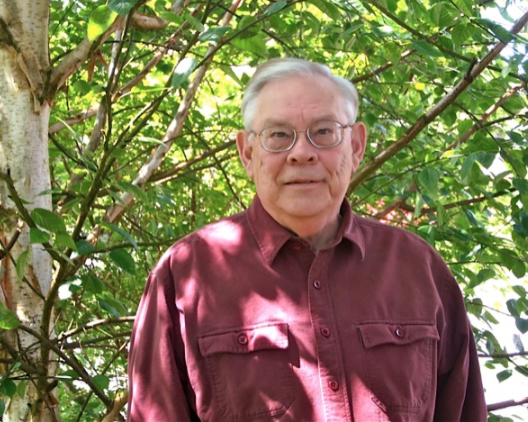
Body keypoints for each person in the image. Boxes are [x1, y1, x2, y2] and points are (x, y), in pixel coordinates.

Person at [127, 58, 487, 422]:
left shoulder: (418, 271)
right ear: (248, 153)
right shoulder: (185, 277)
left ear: (357, 146)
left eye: (324, 131)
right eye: (279, 135)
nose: (302, 153)